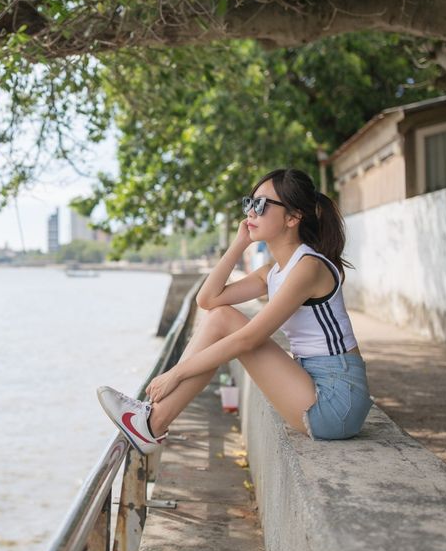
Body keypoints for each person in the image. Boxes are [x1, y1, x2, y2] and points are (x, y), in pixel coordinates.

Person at [97, 168, 373, 453]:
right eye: (249, 203)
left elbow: (248, 339)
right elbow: (208, 300)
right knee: (220, 316)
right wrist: (240, 243)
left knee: (225, 322)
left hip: (337, 399)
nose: (251, 212)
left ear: (293, 217)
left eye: (262, 205)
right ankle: (152, 420)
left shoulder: (308, 267)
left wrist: (176, 373)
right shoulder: (275, 271)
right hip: (313, 385)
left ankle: (153, 421)